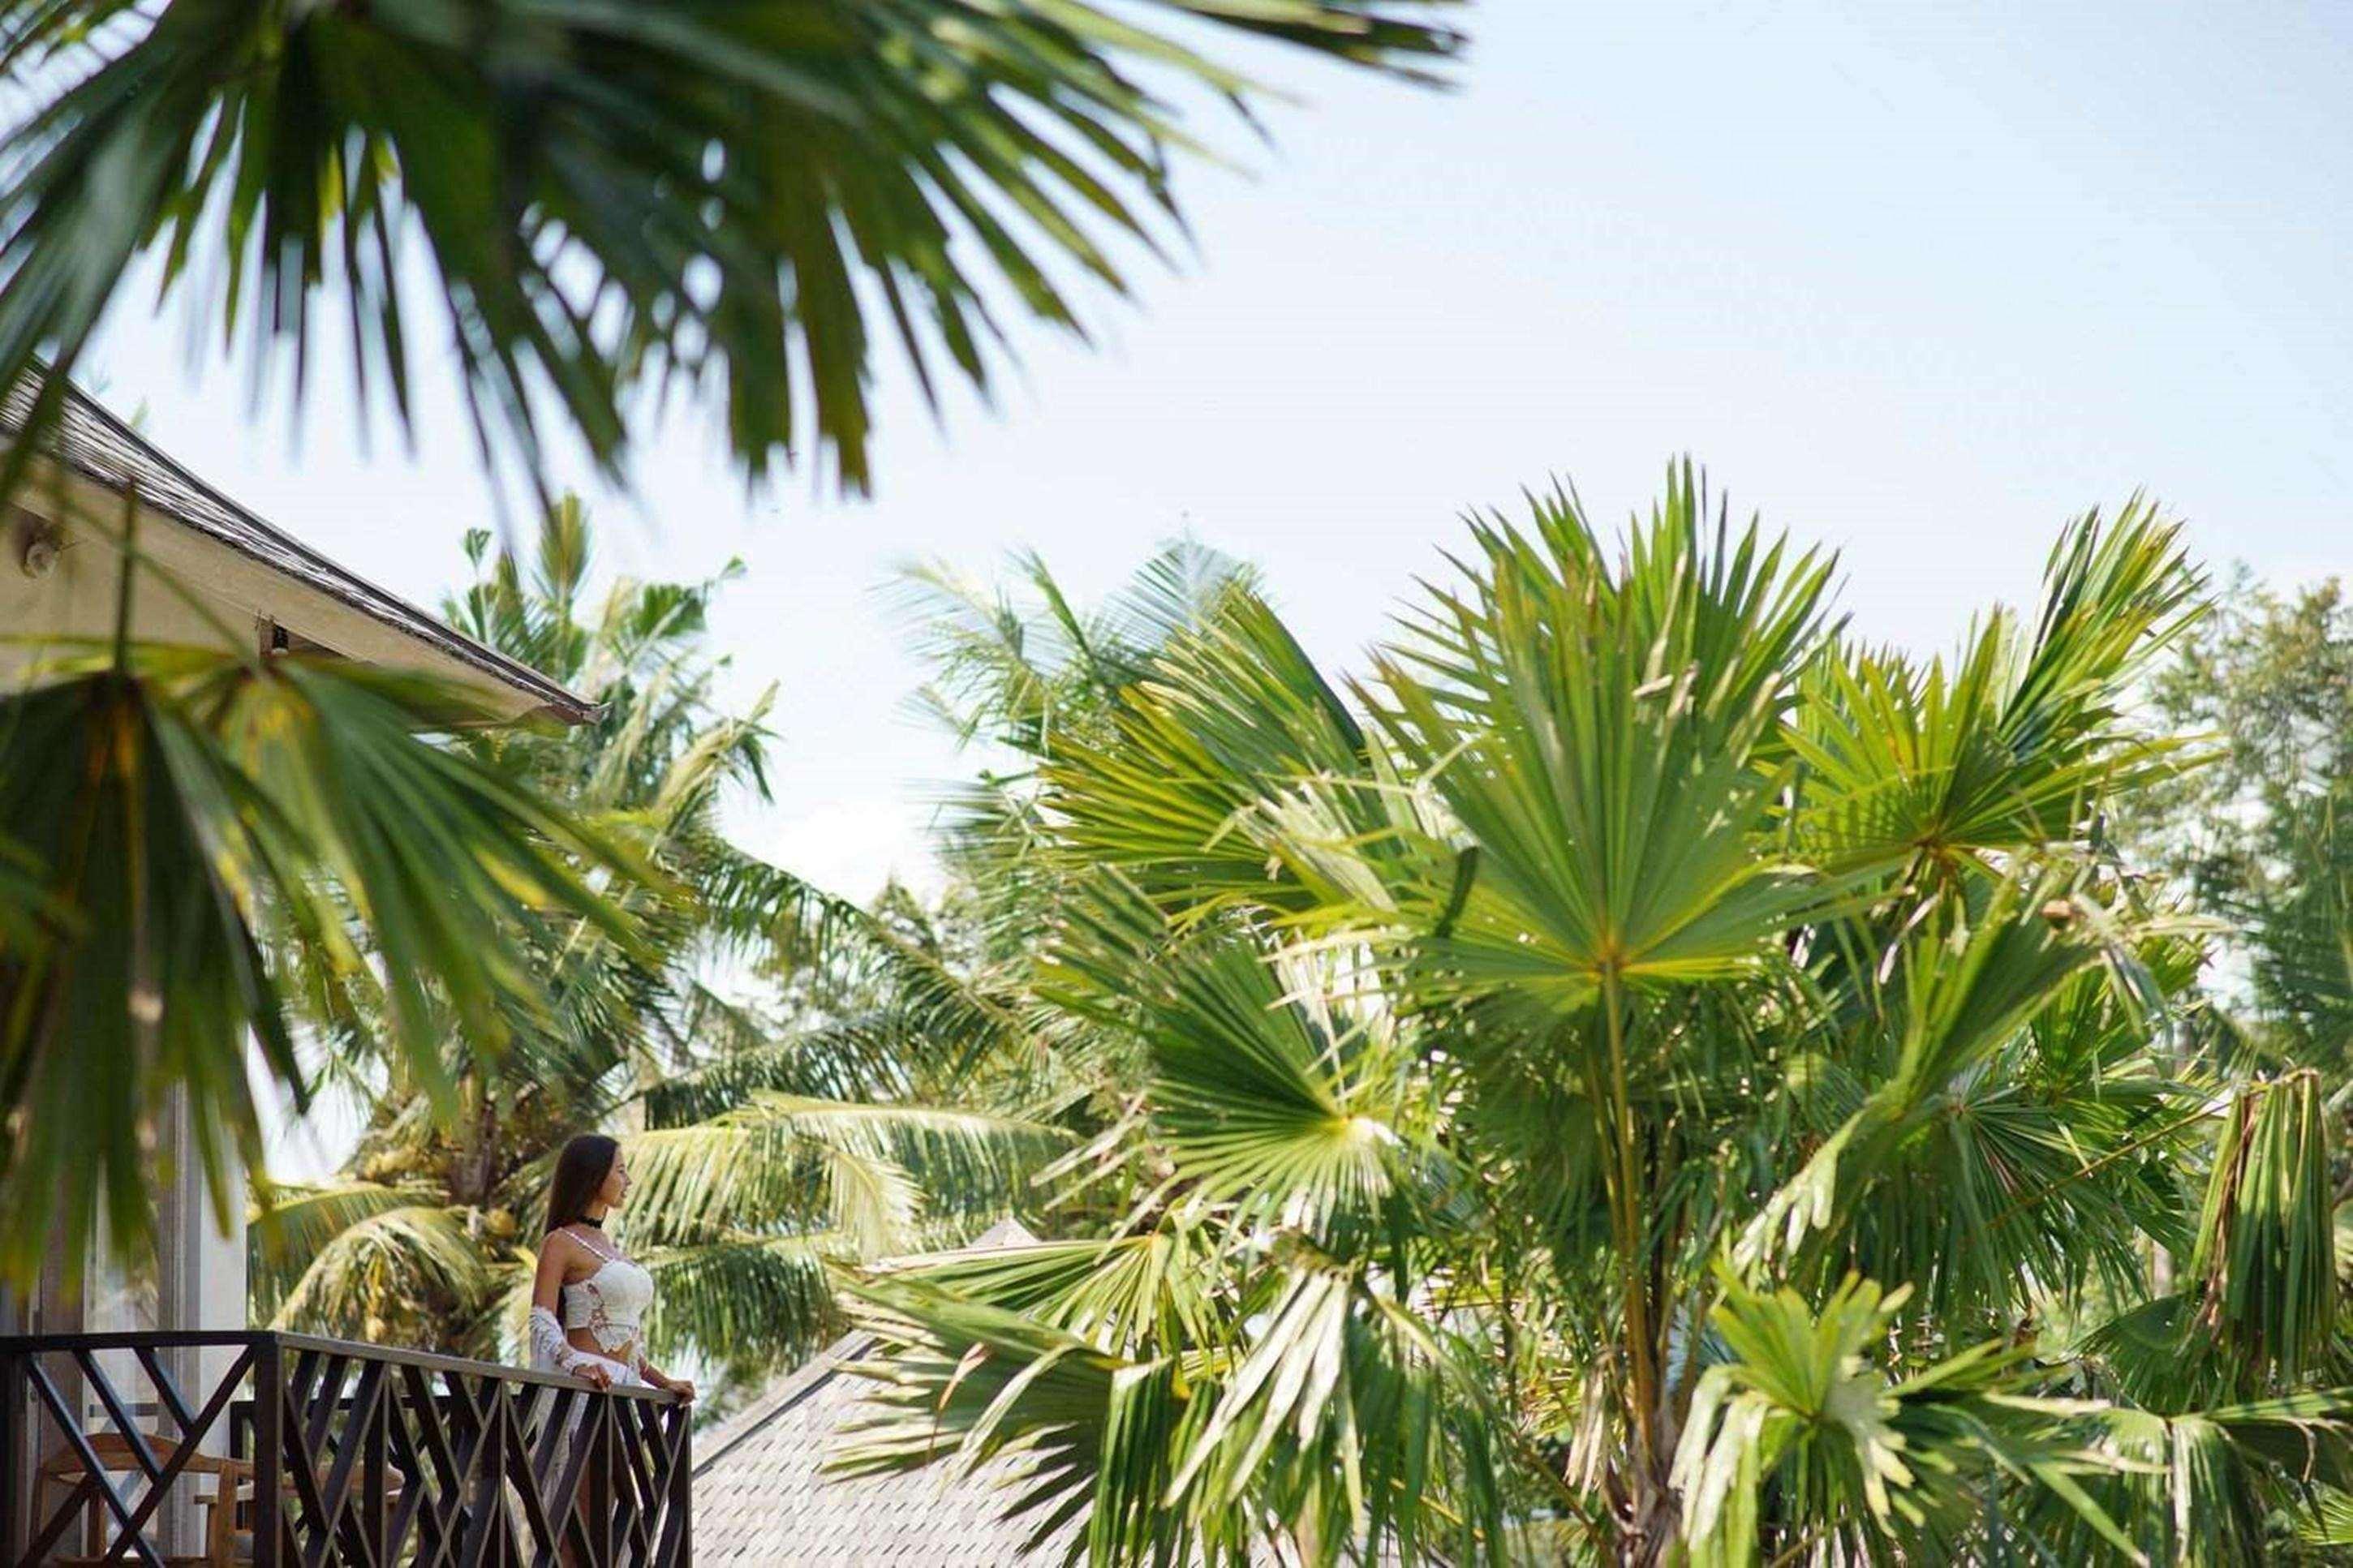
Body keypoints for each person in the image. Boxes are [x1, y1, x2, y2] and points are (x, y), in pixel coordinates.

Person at [527, 1133, 695, 1402]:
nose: (628, 1181)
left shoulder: (610, 1246)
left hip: (624, 1387)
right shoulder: (560, 1242)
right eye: (620, 1171)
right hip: (587, 1385)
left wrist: (663, 1382)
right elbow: (541, 1318)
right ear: (595, 1175)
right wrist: (576, 1366)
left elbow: (622, 1341)